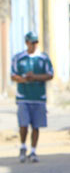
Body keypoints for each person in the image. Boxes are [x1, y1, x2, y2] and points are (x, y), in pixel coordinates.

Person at [11, 31, 54, 163]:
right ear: (27, 43)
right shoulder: (19, 58)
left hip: (38, 97)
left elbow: (50, 74)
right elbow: (13, 75)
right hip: (23, 96)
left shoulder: (43, 58)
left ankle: (33, 150)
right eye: (32, 42)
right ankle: (23, 146)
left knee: (36, 126)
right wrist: (25, 79)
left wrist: (34, 77)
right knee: (23, 124)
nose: (34, 45)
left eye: (36, 42)